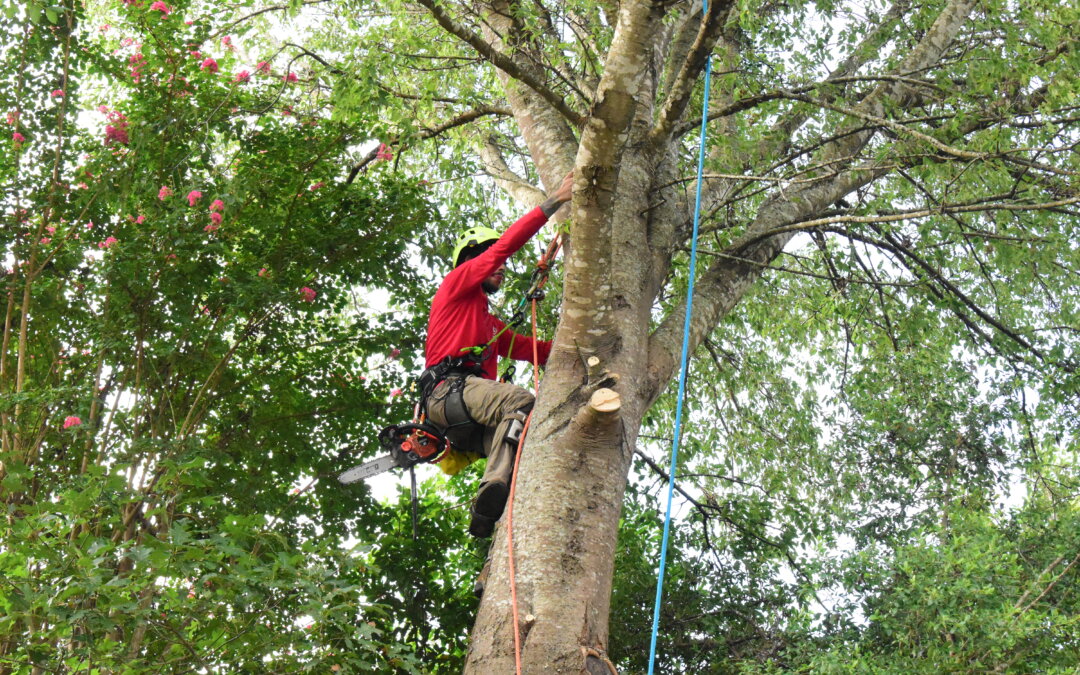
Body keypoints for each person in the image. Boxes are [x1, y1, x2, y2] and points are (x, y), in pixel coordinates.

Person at [421, 171, 573, 538]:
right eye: (493, 262)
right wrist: (555, 201)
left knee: (527, 450)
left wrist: (581, 348)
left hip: (466, 423)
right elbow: (503, 247)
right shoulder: (456, 286)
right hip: (448, 391)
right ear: (473, 259)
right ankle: (492, 485)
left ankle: (487, 519)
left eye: (501, 265)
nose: (501, 268)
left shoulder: (489, 326)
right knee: (521, 400)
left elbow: (536, 350)